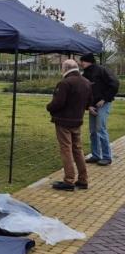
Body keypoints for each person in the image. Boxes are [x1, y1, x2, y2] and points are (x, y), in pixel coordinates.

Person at [46, 59, 92, 191]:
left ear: (65, 68)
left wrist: (48, 107)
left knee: (66, 149)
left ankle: (69, 180)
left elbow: (58, 103)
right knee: (78, 149)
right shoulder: (86, 82)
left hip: (63, 121)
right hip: (77, 120)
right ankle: (83, 179)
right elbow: (89, 102)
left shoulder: (65, 83)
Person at [79, 53, 119, 166]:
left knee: (101, 129)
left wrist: (105, 99)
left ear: (89, 61)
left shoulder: (102, 70)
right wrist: (89, 106)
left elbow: (115, 84)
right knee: (93, 131)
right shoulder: (85, 74)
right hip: (92, 106)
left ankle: (107, 157)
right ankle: (96, 155)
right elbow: (85, 92)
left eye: (83, 61)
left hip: (104, 104)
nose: (81, 63)